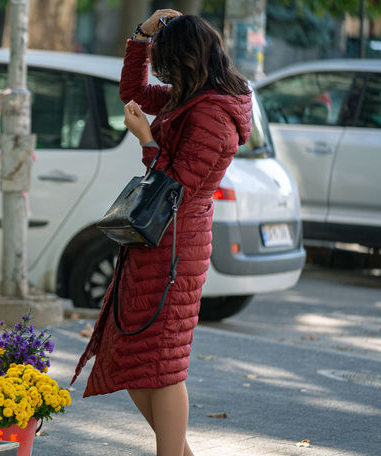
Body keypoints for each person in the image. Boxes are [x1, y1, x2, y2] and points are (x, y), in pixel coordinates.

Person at [72, 10, 252, 456]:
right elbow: (133, 91)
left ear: (188, 61)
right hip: (155, 241)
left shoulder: (212, 111)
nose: (165, 73)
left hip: (177, 245)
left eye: (169, 63)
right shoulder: (191, 96)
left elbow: (180, 186)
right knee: (134, 357)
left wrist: (145, 140)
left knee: (164, 363)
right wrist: (141, 36)